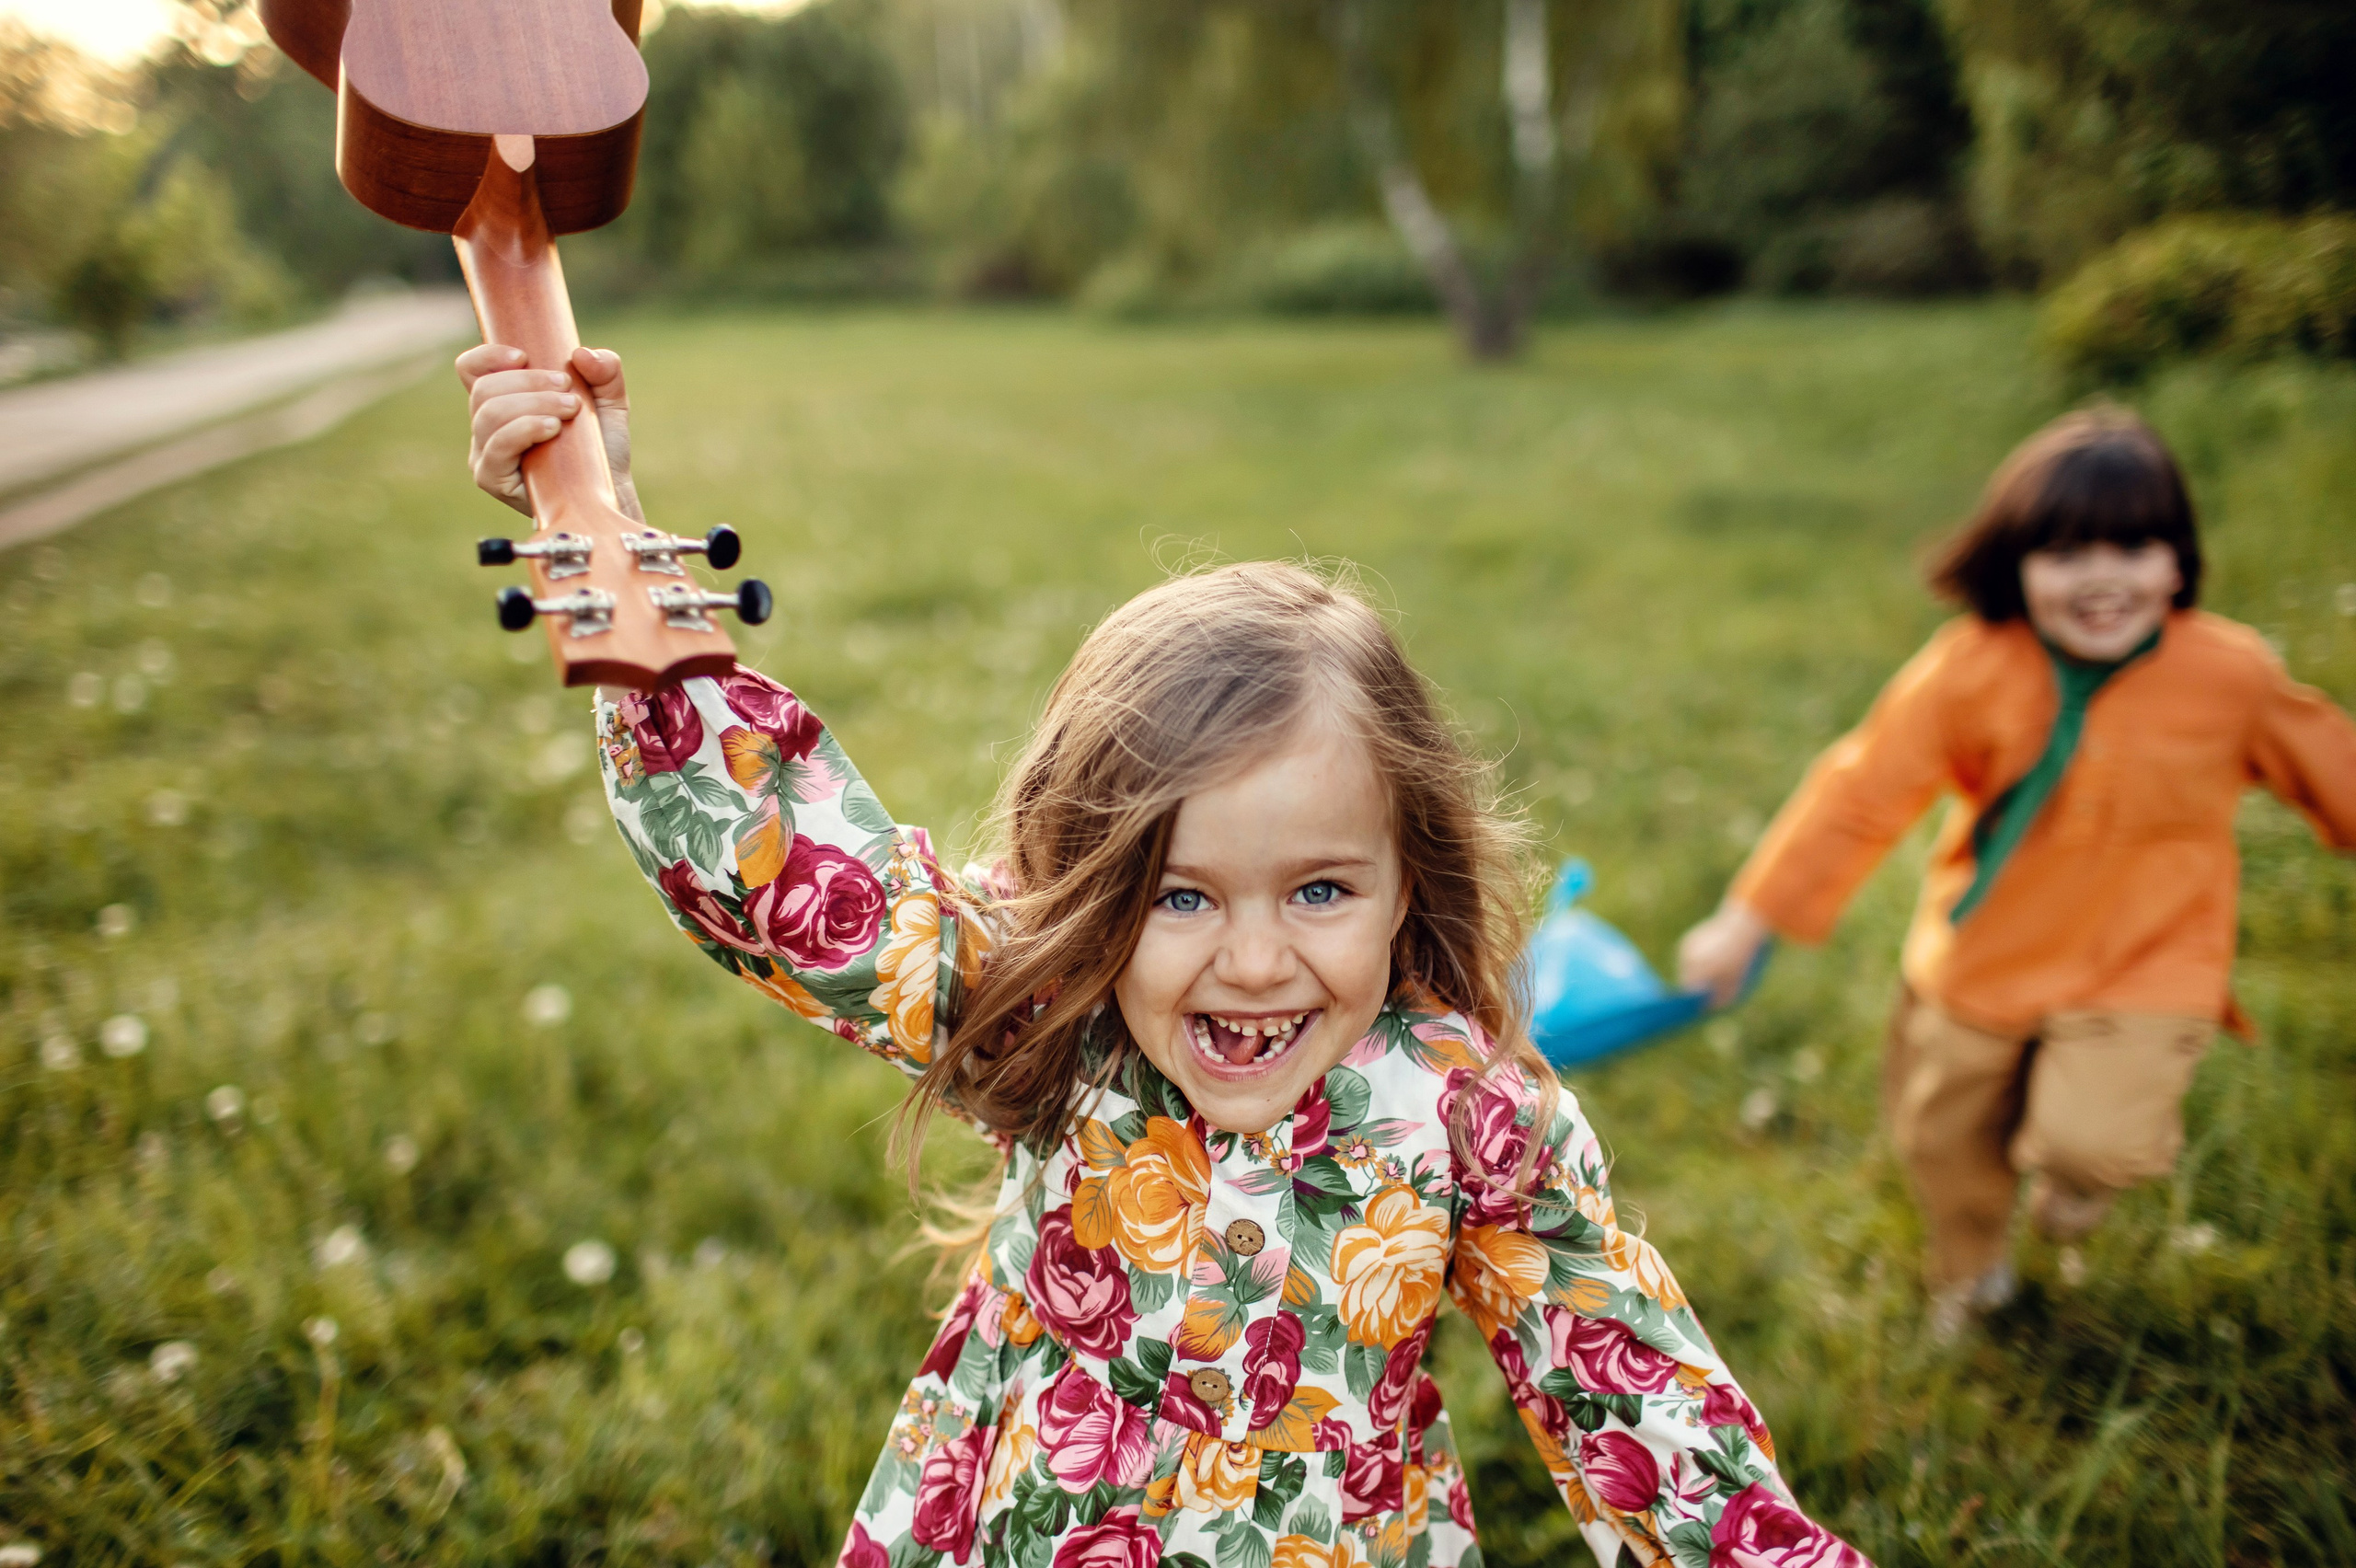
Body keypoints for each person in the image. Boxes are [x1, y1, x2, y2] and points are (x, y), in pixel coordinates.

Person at [458, 344, 1869, 1568]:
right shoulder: (1052, 1013)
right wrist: (607, 522)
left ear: (1403, 883)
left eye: (1319, 888)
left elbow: (1636, 1400)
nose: (1254, 962)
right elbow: (785, 871)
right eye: (1180, 898)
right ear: (1091, 889)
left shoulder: (1471, 1117)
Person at [1678, 406, 2356, 1334]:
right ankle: (1970, 1277)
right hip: (1982, 959)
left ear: (2178, 560)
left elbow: (2333, 766)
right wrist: (1744, 918)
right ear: (2015, 562)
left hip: (2147, 960)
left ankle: (2077, 1193)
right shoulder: (1970, 668)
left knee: (2096, 1139)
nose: (2104, 580)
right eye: (2067, 554)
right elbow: (1858, 791)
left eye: (2134, 548)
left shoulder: (2227, 674)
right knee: (1943, 1143)